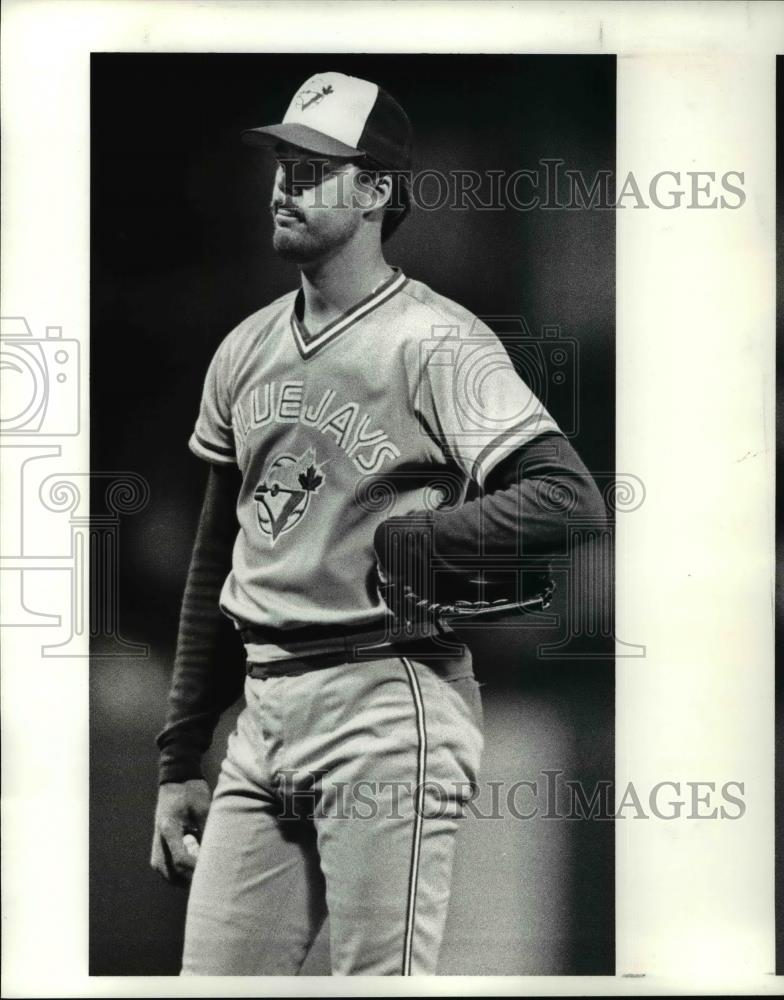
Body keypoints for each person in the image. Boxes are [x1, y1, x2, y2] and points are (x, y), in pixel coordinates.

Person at [150, 71, 606, 976]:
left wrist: (426, 539)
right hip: (264, 711)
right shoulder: (243, 348)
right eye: (281, 160)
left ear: (377, 192)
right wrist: (178, 760)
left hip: (387, 700)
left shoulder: (436, 341)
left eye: (315, 166)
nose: (285, 182)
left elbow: (569, 498)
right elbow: (217, 565)